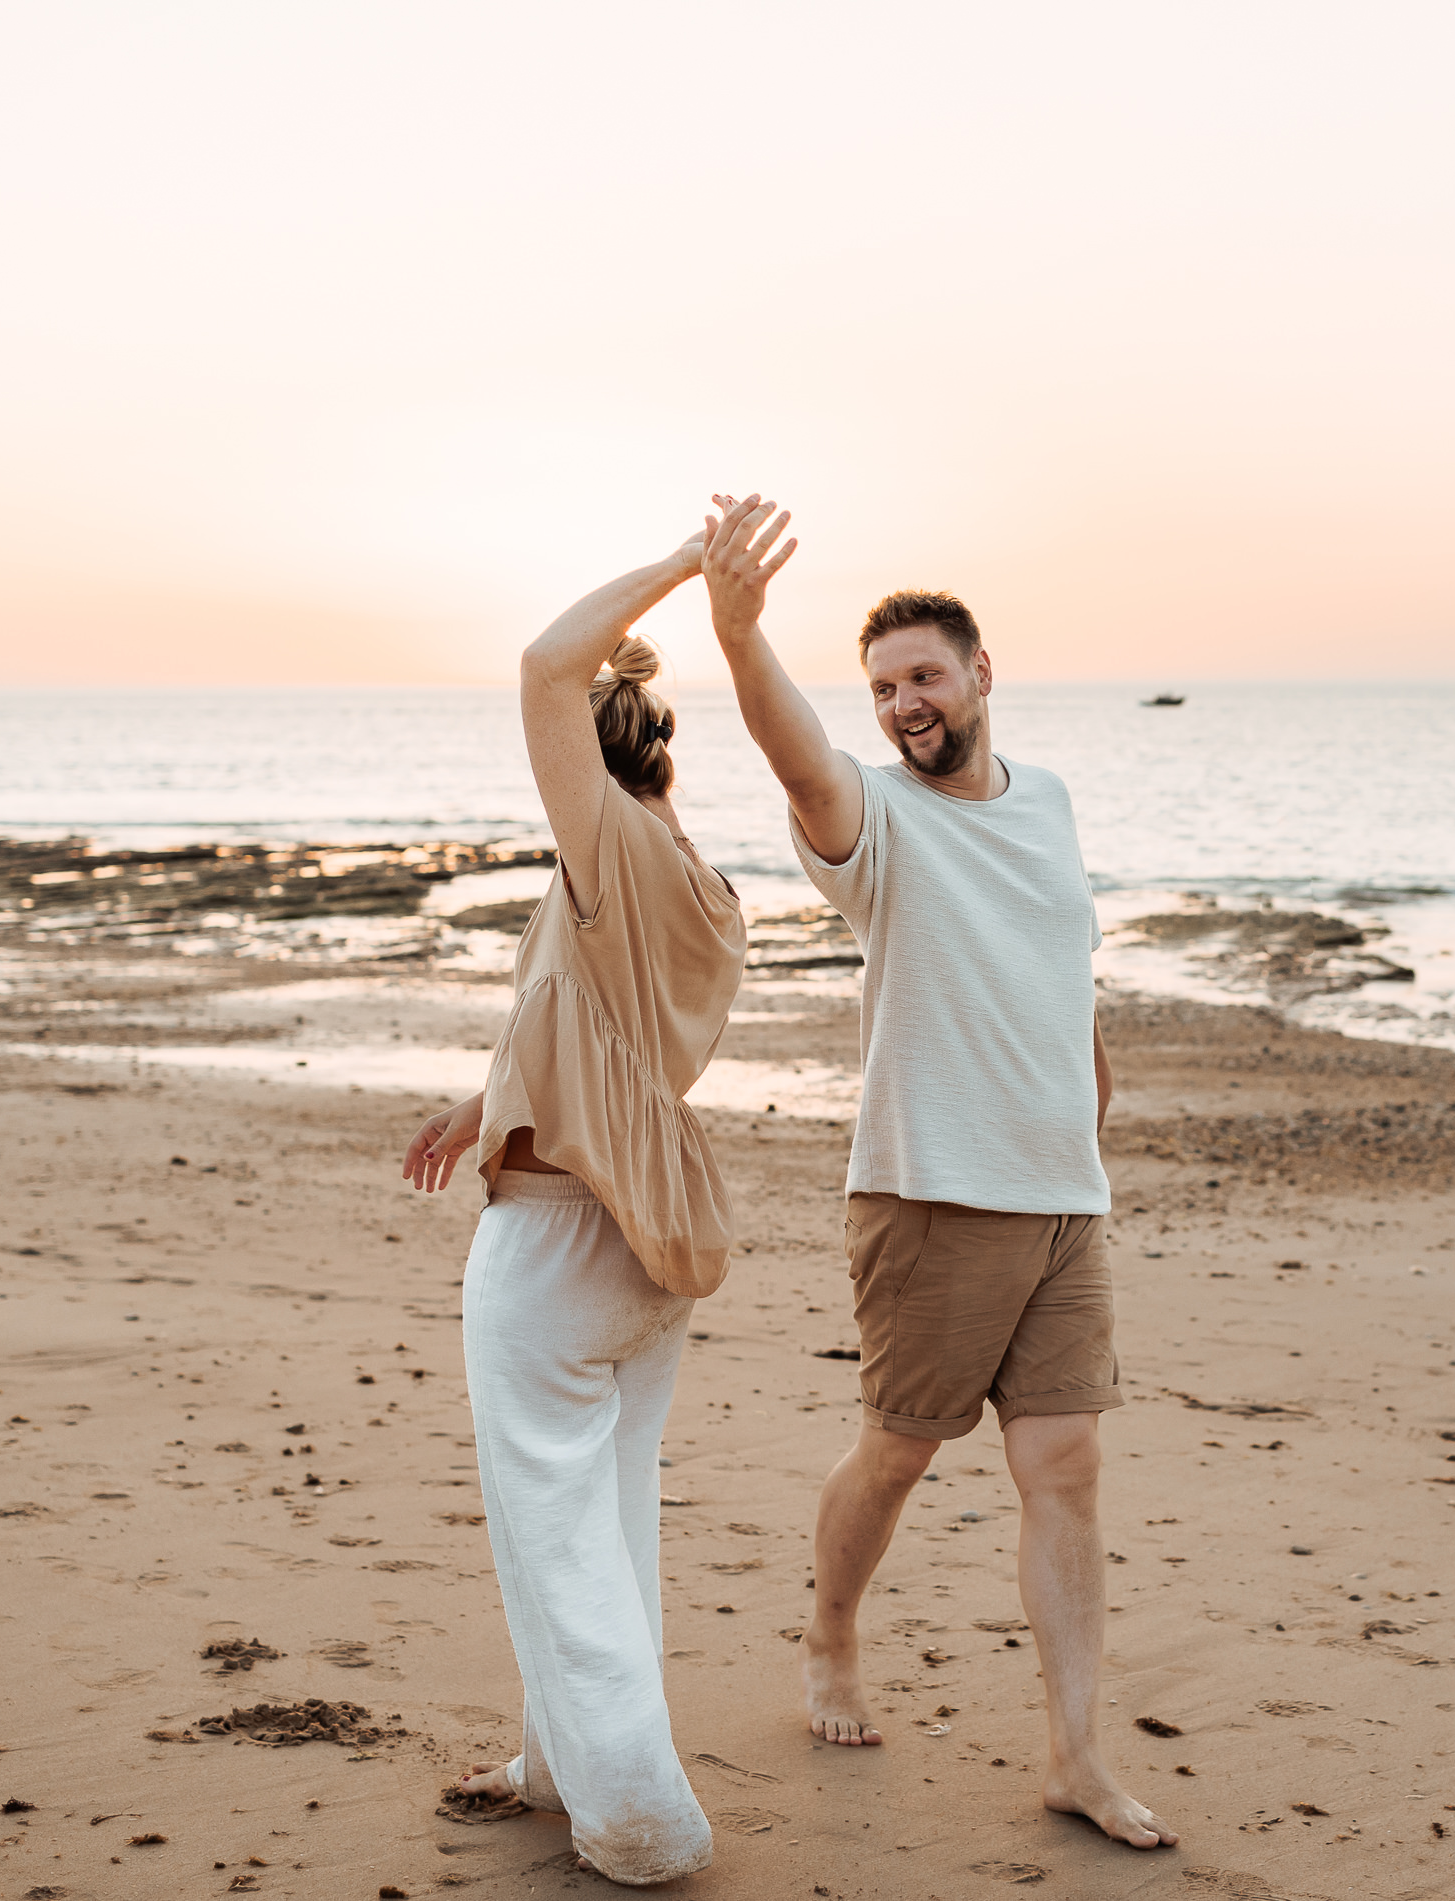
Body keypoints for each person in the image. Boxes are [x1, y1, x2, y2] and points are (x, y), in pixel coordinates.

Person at [701, 494, 1177, 1851]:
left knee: (1067, 1465)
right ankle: (831, 1632)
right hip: (931, 1195)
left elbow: (1057, 946)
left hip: (1063, 1200)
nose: (904, 701)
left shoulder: (1056, 800)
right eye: (883, 686)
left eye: (923, 674)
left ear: (980, 673)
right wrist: (742, 639)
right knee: (901, 1451)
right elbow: (801, 758)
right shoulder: (876, 821)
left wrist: (1091, 1078)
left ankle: (1077, 1753)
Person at [399, 524, 752, 1886]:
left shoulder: (602, 850)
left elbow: (544, 662)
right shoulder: (702, 887)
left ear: (593, 756)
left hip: (554, 1247)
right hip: (640, 1254)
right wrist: (483, 1102)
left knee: (556, 1537)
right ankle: (562, 1763)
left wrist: (681, 562)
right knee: (607, 1518)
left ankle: (640, 1819)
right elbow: (599, 1042)